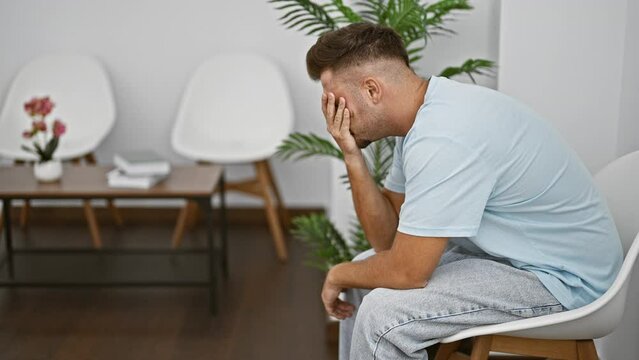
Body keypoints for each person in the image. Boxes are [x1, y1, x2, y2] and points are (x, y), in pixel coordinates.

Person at [306, 23, 624, 360]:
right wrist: (352, 154)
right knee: (365, 275)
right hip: (515, 259)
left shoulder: (445, 135)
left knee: (382, 316)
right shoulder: (421, 119)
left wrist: (337, 272)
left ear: (371, 90)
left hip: (566, 280)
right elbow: (387, 244)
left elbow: (407, 272)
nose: (331, 114)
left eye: (334, 100)